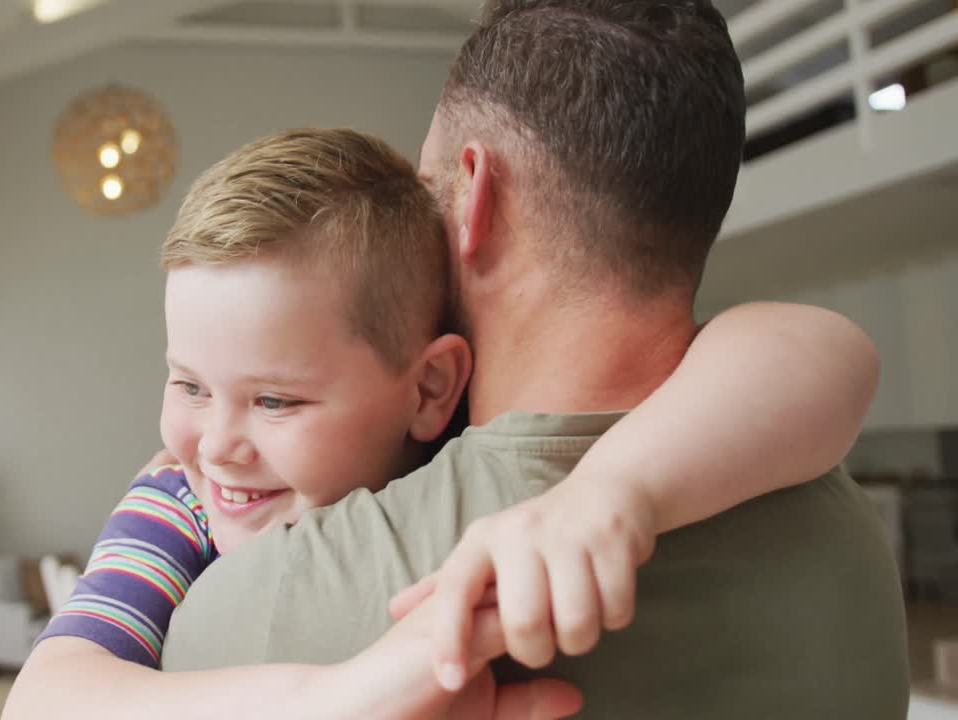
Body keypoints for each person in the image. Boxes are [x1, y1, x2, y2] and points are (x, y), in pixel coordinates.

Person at [151, 1, 910, 718]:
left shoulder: (265, 606)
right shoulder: (833, 511)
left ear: (474, 193)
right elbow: (828, 347)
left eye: (429, 188)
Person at [3, 120, 889, 718]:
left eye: (274, 400)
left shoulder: (464, 434)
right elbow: (45, 698)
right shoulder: (175, 505)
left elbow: (828, 350)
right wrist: (341, 696)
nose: (215, 443)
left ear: (430, 390)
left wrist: (611, 491)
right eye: (188, 384)